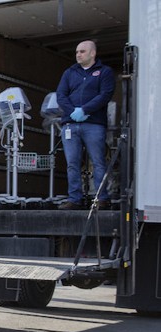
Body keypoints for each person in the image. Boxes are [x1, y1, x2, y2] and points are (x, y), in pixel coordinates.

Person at [56, 40, 115, 210]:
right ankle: (74, 199)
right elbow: (61, 95)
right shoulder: (69, 72)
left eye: (82, 51)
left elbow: (105, 95)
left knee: (98, 161)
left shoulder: (104, 72)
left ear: (92, 53)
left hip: (94, 124)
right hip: (70, 124)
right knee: (72, 163)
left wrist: (85, 110)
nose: (78, 54)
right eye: (77, 52)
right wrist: (73, 112)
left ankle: (101, 198)